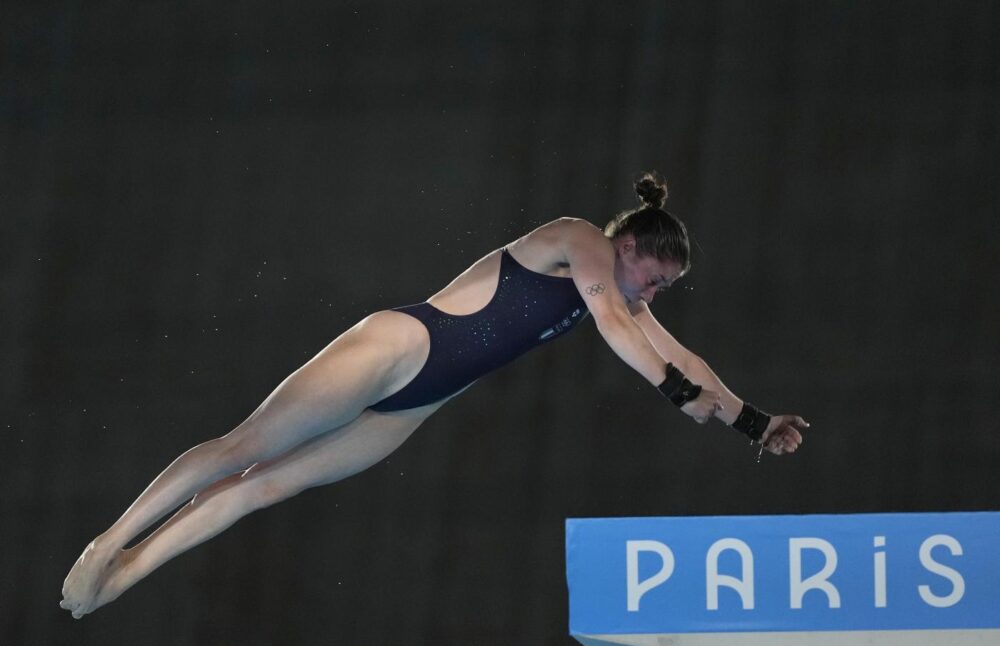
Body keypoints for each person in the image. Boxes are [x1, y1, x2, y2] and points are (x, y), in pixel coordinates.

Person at [59, 172, 808, 619]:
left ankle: (125, 575)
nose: (652, 296)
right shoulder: (581, 240)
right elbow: (621, 326)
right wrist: (676, 393)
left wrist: (752, 421)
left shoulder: (625, 298)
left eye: (662, 291)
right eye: (654, 279)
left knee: (261, 490)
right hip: (398, 350)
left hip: (411, 408)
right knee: (239, 452)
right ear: (628, 246)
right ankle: (111, 539)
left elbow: (680, 354)